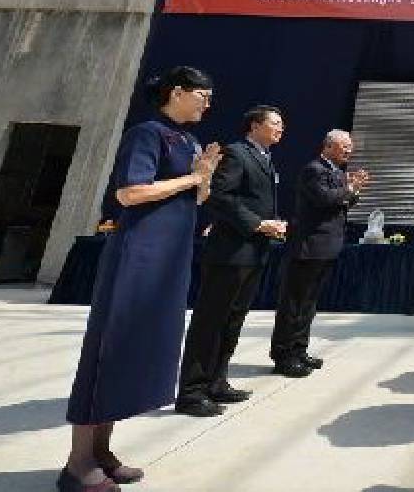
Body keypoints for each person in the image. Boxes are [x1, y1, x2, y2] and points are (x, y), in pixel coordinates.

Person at [62, 67, 220, 492]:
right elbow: (130, 193)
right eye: (202, 94)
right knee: (108, 351)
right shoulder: (147, 133)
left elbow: (196, 199)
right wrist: (192, 176)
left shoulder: (190, 141)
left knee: (134, 355)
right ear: (177, 92)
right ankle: (78, 462)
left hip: (169, 261)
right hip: (138, 257)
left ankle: (103, 451)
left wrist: (203, 179)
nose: (208, 102)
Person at [177, 106, 287, 414]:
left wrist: (271, 223)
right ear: (254, 126)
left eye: (282, 124)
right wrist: (257, 223)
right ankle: (191, 391)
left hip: (252, 253)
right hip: (230, 253)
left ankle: (217, 381)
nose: (281, 128)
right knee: (210, 321)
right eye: (275, 123)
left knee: (232, 320)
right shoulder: (237, 154)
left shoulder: (265, 158)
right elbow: (220, 197)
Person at [270, 130, 370, 373]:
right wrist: (349, 187)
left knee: (309, 304)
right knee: (294, 304)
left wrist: (352, 190)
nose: (349, 151)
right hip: (308, 247)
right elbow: (324, 199)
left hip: (325, 247)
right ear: (328, 147)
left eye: (350, 147)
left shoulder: (336, 171)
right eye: (344, 146)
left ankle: (299, 350)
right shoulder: (314, 169)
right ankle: (284, 355)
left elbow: (342, 203)